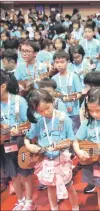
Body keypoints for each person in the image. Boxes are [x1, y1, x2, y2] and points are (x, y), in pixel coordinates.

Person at [24, 89, 79, 211]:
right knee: (50, 186)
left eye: (47, 108)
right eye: (40, 111)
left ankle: (75, 207)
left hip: (61, 158)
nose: (45, 113)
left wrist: (61, 146)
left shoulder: (63, 118)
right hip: (46, 160)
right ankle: (54, 208)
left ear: (52, 101)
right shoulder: (38, 120)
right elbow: (28, 137)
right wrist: (28, 145)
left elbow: (71, 139)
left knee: (69, 186)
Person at [0, 70, 36, 210]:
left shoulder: (19, 101)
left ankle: (29, 202)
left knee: (25, 173)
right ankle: (20, 200)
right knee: (12, 175)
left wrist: (21, 130)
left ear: (3, 86)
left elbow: (30, 123)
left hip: (20, 143)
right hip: (5, 144)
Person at [51, 51, 82, 133]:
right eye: (57, 62)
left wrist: (72, 98)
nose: (59, 65)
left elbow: (79, 93)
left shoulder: (74, 76)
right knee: (62, 132)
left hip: (74, 111)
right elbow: (53, 94)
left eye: (62, 62)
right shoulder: (54, 78)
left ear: (68, 62)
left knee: (74, 132)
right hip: (60, 112)